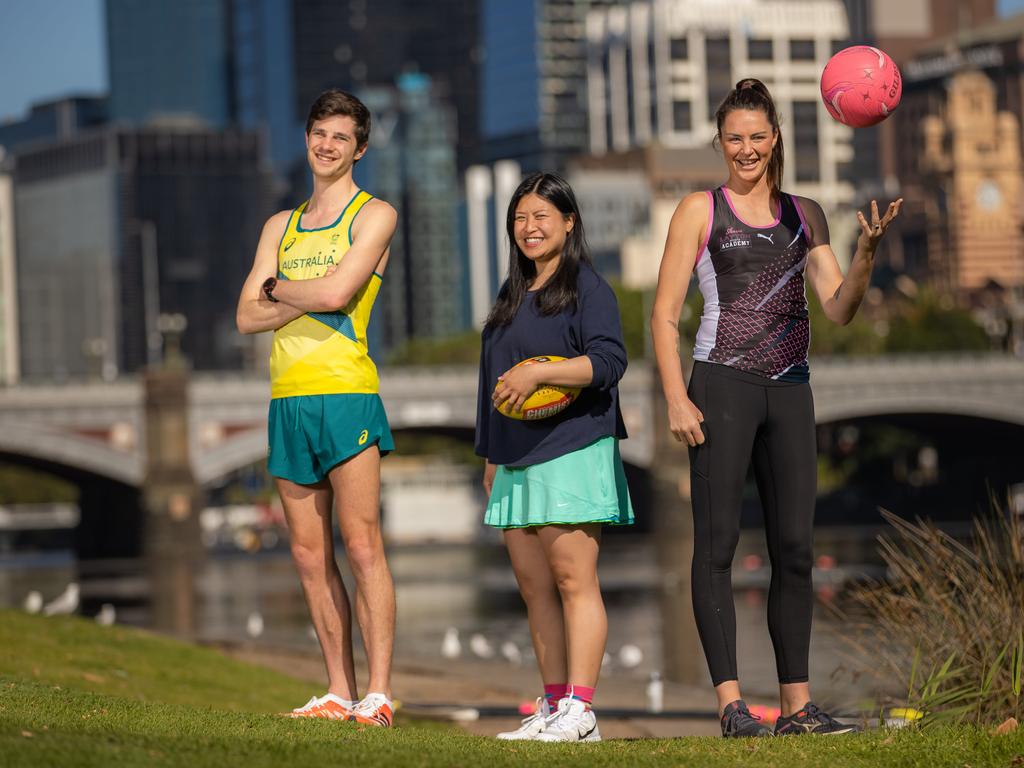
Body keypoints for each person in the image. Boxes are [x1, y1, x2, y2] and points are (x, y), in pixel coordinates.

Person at [650, 79, 901, 737]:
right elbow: (662, 314)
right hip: (720, 387)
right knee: (718, 548)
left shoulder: (805, 215)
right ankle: (732, 706)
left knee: (795, 551)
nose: (747, 148)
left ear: (776, 138)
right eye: (734, 137)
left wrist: (868, 250)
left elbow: (840, 309)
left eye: (758, 136)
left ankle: (797, 707)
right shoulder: (700, 212)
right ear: (720, 142)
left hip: (791, 390)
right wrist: (677, 396)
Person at [236, 89, 398, 727]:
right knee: (309, 556)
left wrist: (278, 286)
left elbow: (337, 293)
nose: (327, 145)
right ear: (306, 139)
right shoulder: (279, 225)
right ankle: (338, 689)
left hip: (346, 392)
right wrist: (297, 294)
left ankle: (379, 694)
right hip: (288, 400)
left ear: (359, 148)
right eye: (318, 133)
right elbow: (246, 316)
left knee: (362, 548)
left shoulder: (373, 214)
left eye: (340, 137)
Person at [475, 172, 634, 743]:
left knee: (573, 580)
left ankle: (581, 711)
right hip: (514, 456)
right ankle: (552, 704)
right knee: (534, 587)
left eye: (542, 216)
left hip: (572, 445)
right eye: (519, 218)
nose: (529, 227)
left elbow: (610, 362)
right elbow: (490, 383)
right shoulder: (510, 296)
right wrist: (489, 455)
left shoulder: (589, 287)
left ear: (569, 222)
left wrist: (544, 369)